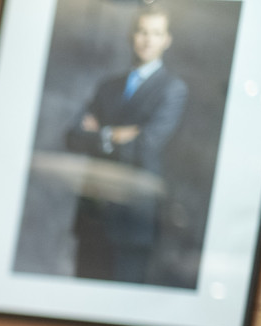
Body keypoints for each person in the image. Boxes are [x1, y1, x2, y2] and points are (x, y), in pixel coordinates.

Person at [66, 3, 187, 283]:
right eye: (141, 31)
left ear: (166, 40)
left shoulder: (172, 89)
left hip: (132, 221)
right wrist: (117, 134)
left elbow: (146, 145)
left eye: (155, 33)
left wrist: (100, 133)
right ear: (131, 35)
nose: (147, 39)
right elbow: (73, 137)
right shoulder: (108, 86)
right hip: (92, 216)